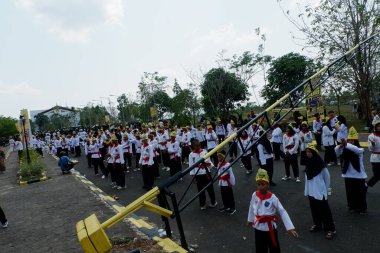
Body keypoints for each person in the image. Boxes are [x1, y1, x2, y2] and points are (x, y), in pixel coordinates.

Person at [247, 169, 298, 253]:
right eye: (258, 184)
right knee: (260, 247)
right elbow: (251, 207)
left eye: (262, 184)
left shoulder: (272, 197)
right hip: (258, 227)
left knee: (274, 247)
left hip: (269, 227)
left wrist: (289, 227)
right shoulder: (254, 195)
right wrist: (250, 219)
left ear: (268, 185)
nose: (260, 186)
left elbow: (282, 211)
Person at [304, 144, 336, 239]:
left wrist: (325, 190)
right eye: (307, 152)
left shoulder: (321, 165)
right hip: (311, 191)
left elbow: (327, 178)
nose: (308, 154)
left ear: (314, 153)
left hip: (320, 191)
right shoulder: (309, 163)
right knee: (314, 209)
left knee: (325, 211)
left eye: (309, 152)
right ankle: (317, 225)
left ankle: (330, 229)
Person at [335, 127, 367, 214]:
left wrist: (346, 144)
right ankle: (352, 206)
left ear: (356, 142)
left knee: (360, 193)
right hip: (348, 174)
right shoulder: (344, 149)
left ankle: (362, 208)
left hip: (359, 175)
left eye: (353, 140)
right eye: (349, 140)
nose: (351, 142)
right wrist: (341, 145)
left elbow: (355, 149)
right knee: (350, 193)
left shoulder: (360, 150)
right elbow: (336, 152)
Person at [189, 139, 217, 210]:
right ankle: (202, 204)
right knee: (201, 190)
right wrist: (193, 176)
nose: (198, 146)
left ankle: (213, 202)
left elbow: (209, 161)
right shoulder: (191, 155)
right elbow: (191, 166)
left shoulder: (204, 151)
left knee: (210, 188)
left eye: (199, 145)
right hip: (198, 175)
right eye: (196, 145)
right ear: (193, 146)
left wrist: (213, 166)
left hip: (206, 172)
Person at [215, 150, 236, 215]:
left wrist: (232, 182)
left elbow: (231, 174)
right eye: (218, 157)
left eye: (220, 157)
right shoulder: (219, 164)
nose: (218, 158)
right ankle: (226, 205)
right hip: (222, 183)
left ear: (223, 157)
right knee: (223, 195)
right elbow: (219, 172)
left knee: (229, 195)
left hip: (227, 183)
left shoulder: (227, 165)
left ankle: (232, 207)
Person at [367, 121, 380, 187]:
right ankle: (366, 184)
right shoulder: (371, 136)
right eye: (378, 126)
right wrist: (373, 145)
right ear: (376, 127)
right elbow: (370, 149)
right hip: (375, 158)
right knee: (377, 175)